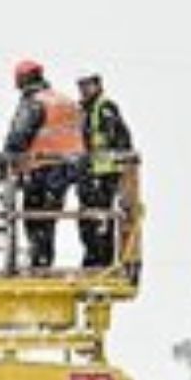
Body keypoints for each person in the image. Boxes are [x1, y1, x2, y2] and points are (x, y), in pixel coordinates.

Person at [1, 59, 83, 269]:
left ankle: (39, 263)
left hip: (43, 168)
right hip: (67, 169)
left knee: (34, 219)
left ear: (23, 79)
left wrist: (2, 163)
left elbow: (19, 137)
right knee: (47, 219)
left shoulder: (35, 102)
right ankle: (43, 261)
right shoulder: (64, 101)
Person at [76, 72, 134, 269]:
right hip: (91, 173)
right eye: (81, 86)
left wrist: (115, 168)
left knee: (100, 220)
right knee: (88, 220)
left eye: (87, 85)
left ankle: (101, 261)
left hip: (103, 174)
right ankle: (93, 258)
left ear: (98, 86)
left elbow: (119, 139)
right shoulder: (86, 110)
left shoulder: (105, 107)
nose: (83, 90)